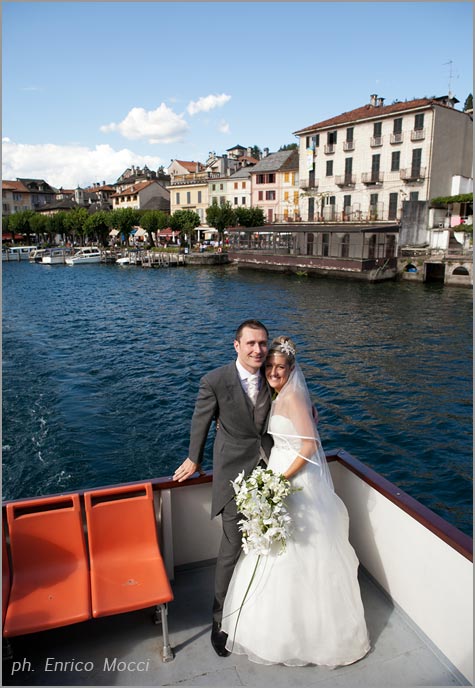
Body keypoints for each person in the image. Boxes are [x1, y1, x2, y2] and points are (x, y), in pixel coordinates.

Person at [221, 336, 370, 667]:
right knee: (278, 548)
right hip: (280, 474)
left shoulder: (293, 399)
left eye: (281, 367)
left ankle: (310, 633)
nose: (274, 371)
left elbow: (308, 448)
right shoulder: (281, 395)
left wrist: (279, 482)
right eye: (270, 366)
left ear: (291, 368)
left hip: (292, 480)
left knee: (298, 549)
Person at [173, 319, 273, 657]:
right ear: (236, 345)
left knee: (268, 544)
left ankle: (259, 607)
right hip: (233, 479)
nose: (258, 350)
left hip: (271, 475)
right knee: (231, 550)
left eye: (262, 343)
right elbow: (200, 420)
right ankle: (219, 621)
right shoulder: (215, 381)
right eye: (251, 343)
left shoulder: (275, 376)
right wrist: (193, 458)